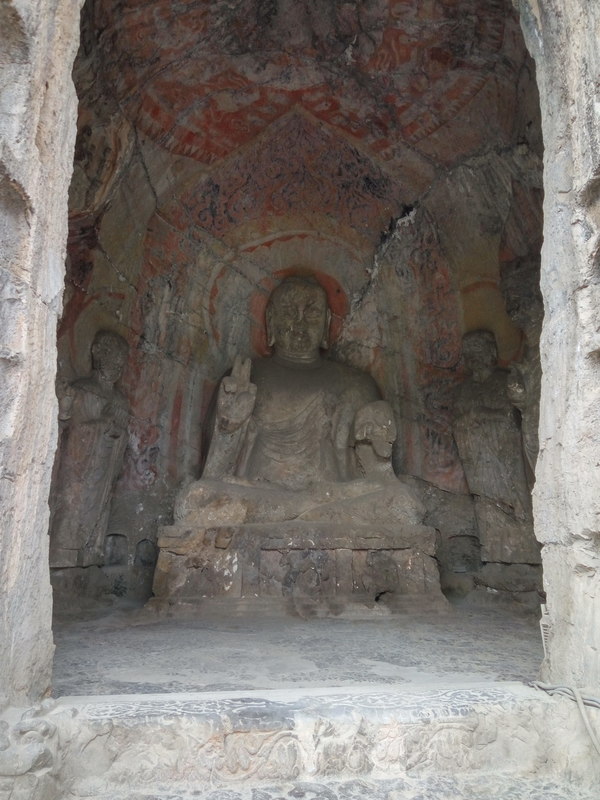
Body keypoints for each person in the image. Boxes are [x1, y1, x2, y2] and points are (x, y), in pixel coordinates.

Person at [49, 330, 129, 568]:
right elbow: (69, 432)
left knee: (99, 512)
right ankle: (62, 558)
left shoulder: (120, 401)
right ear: (97, 352)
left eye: (121, 360)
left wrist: (118, 433)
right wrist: (101, 425)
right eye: (113, 355)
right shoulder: (82, 390)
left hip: (103, 471)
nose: (118, 364)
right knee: (71, 508)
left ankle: (91, 557)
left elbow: (122, 438)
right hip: (77, 470)